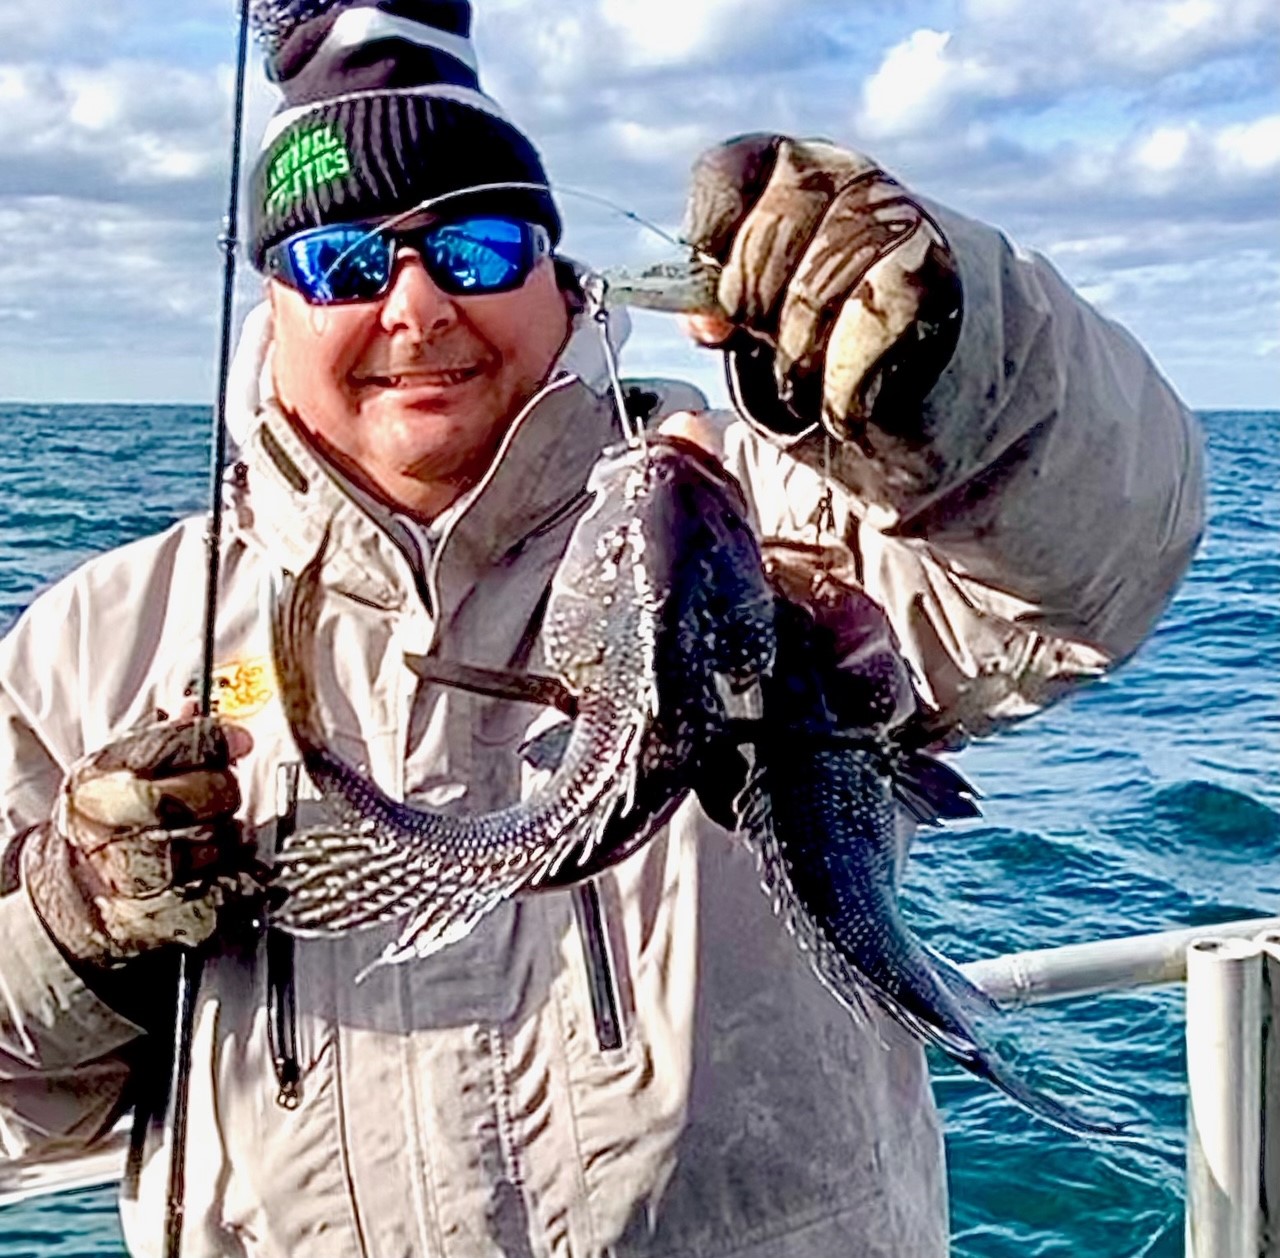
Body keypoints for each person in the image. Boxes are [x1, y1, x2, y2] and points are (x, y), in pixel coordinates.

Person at [0, 2, 1204, 1256]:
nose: (415, 308)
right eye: (342, 264)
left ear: (558, 274)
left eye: (474, 248)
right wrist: (70, 928)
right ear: (272, 301)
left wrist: (949, 356)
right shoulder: (98, 646)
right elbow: (13, 1109)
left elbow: (1106, 557)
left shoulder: (781, 500)